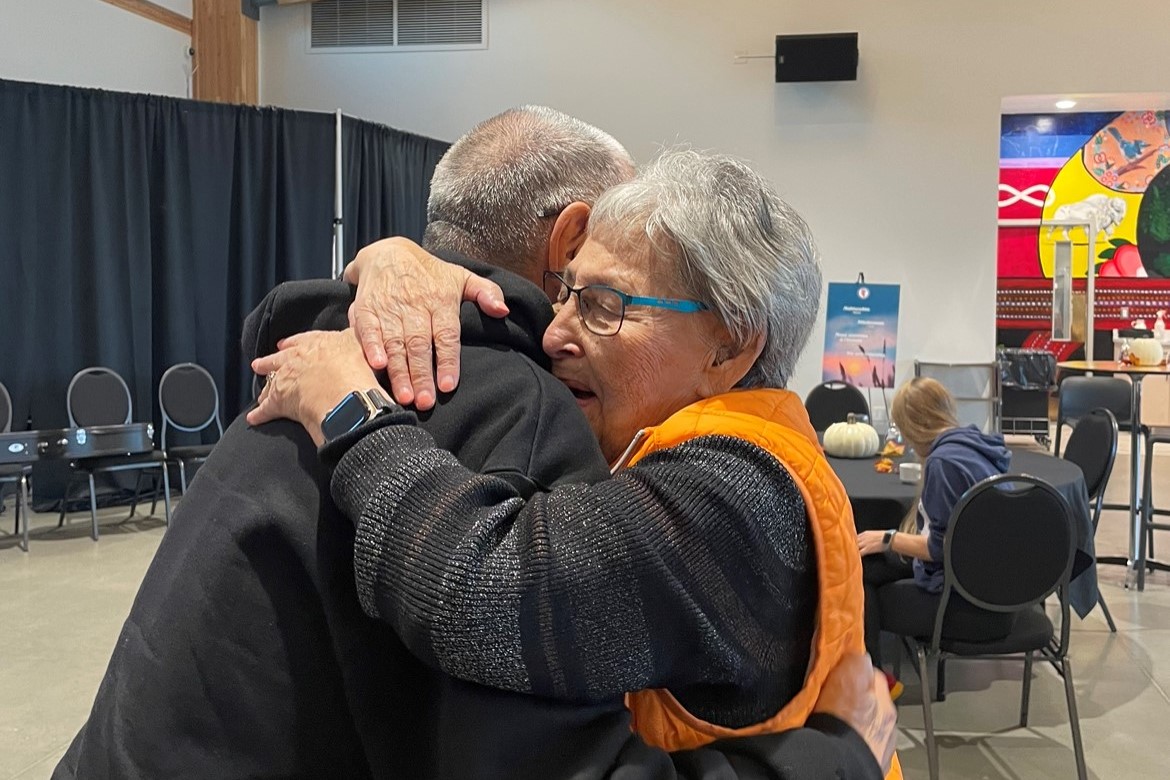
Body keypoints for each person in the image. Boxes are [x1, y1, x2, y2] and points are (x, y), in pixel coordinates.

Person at [57, 108, 892, 780]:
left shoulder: (730, 485)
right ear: (563, 239)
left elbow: (489, 593)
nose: (559, 329)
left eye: (602, 302)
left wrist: (355, 409)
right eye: (566, 293)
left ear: (730, 345)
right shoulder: (493, 398)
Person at [856, 376, 1014, 678]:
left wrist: (889, 538)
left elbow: (940, 548)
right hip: (988, 586)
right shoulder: (974, 446)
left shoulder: (944, 464)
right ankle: (869, 676)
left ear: (911, 425)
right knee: (865, 567)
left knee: (859, 583)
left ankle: (870, 682)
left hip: (957, 599)